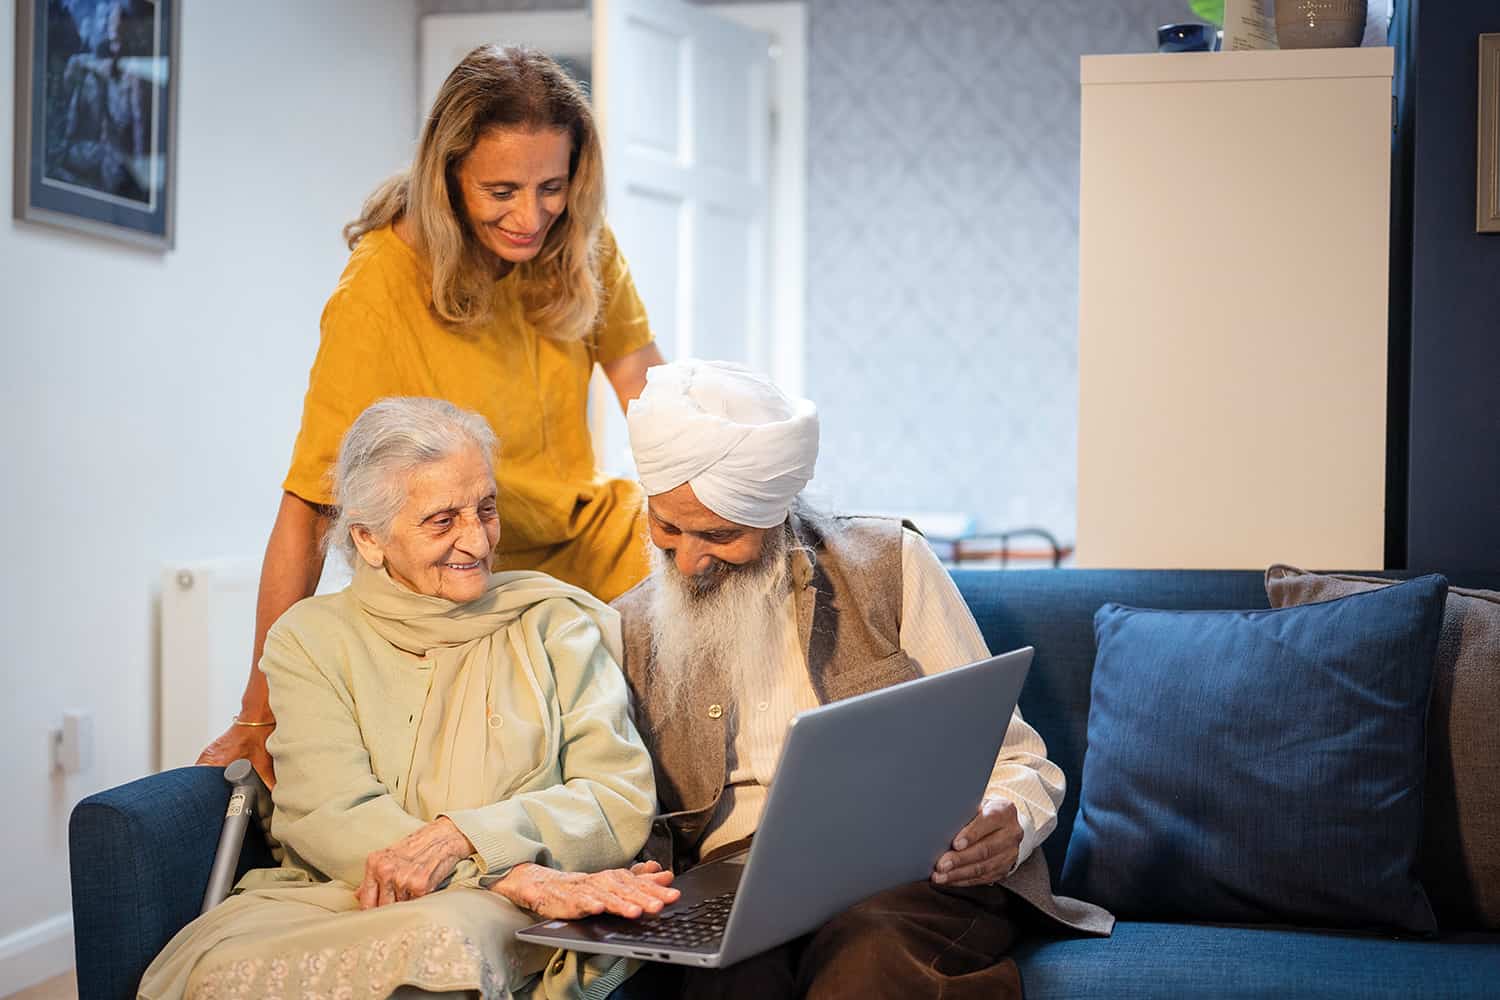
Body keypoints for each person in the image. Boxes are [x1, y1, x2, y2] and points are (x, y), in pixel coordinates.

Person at [199, 45, 664, 786]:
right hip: (465, 567)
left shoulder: (578, 241)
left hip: (579, 536)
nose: (531, 216)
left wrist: (702, 507)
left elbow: (646, 385)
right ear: (447, 177)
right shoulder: (379, 286)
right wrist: (259, 710)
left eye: (552, 185)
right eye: (502, 189)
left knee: (769, 570)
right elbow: (312, 504)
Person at [142, 398, 677, 999]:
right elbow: (331, 813)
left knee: (449, 934)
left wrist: (466, 837)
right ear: (369, 538)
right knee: (224, 971)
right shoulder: (308, 640)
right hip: (347, 895)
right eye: (442, 521)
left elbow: (617, 794)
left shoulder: (554, 622)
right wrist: (501, 873)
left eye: (486, 509)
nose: (476, 541)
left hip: (530, 903)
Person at [611, 361, 1113, 999]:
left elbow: (1017, 760)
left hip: (907, 879)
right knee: (731, 980)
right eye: (666, 528)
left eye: (720, 534)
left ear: (776, 512)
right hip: (733, 888)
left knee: (868, 954)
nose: (688, 559)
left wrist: (1009, 818)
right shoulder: (625, 626)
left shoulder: (889, 565)